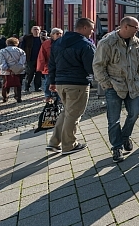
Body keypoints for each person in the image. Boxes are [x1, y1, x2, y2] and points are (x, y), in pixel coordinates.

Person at [93, 16, 139, 163]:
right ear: (125, 27)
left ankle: (125, 136)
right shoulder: (107, 42)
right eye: (135, 28)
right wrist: (106, 84)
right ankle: (117, 147)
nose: (138, 31)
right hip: (114, 86)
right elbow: (98, 65)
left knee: (135, 113)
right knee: (113, 120)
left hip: (132, 85)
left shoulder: (137, 43)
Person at [46, 18, 96, 155]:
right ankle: (69, 145)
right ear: (84, 28)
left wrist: (52, 81)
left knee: (67, 112)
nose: (93, 32)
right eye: (91, 29)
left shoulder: (58, 42)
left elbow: (52, 64)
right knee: (74, 114)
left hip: (60, 82)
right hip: (77, 83)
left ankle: (54, 142)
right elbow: (91, 67)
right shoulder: (85, 44)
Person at [37, 28, 63, 103]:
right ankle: (48, 96)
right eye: (57, 34)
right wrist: (41, 67)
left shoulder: (64, 43)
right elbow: (41, 55)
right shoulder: (46, 43)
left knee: (60, 82)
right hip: (48, 67)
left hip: (60, 67)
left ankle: (59, 97)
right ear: (52, 35)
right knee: (48, 82)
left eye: (61, 34)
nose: (60, 35)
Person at [0, 37, 26, 103]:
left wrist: (7, 69)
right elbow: (22, 62)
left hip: (6, 71)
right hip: (18, 71)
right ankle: (18, 97)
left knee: (5, 84)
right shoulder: (21, 51)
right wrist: (16, 69)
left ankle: (5, 97)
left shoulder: (3, 51)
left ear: (7, 43)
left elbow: (1, 61)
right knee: (18, 84)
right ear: (16, 43)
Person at [20, 26, 46, 92]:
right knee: (30, 73)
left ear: (40, 31)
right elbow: (22, 47)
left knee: (39, 74)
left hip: (40, 59)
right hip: (30, 58)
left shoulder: (43, 39)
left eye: (37, 29)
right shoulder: (27, 38)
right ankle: (27, 87)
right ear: (31, 31)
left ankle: (37, 87)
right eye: (34, 29)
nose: (36, 31)